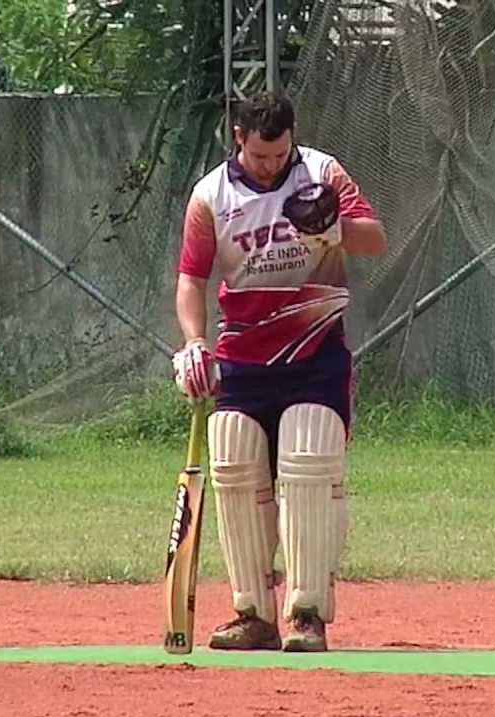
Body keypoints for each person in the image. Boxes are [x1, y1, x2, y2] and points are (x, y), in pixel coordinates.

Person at [171, 91, 386, 652]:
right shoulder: (210, 196)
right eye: (260, 156)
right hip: (242, 355)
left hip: (315, 351)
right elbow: (192, 278)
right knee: (234, 462)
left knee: (309, 463)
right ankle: (252, 613)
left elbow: (375, 239)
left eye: (279, 154)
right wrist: (194, 343)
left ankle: (308, 614)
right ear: (238, 139)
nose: (271, 166)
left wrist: (332, 229)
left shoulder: (322, 173)